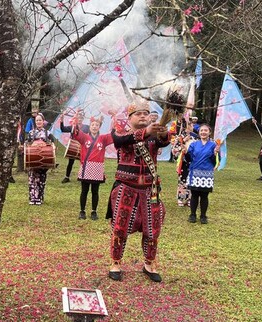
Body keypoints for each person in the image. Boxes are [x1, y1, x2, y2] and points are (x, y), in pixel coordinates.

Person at [106, 100, 170, 283]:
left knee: (153, 229)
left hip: (150, 190)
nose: (143, 116)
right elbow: (120, 141)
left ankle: (149, 264)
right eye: (138, 114)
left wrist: (164, 134)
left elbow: (163, 142)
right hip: (126, 188)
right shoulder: (121, 131)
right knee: (120, 227)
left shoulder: (153, 135)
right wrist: (147, 131)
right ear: (130, 117)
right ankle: (116, 263)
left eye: (146, 113)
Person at [70, 115, 113, 220]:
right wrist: (75, 121)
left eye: (97, 125)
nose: (94, 127)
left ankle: (94, 211)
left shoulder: (103, 139)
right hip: (86, 167)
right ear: (89, 126)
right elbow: (75, 132)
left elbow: (113, 135)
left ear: (99, 127)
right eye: (93, 125)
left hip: (97, 168)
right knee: (84, 190)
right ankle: (82, 211)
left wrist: (115, 120)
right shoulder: (84, 137)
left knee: (95, 191)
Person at [184, 124, 220, 224]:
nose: (203, 132)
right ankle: (192, 214)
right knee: (194, 195)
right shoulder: (193, 144)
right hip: (194, 172)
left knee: (204, 195)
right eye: (201, 130)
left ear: (209, 132)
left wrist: (215, 153)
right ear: (198, 132)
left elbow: (214, 161)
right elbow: (188, 159)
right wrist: (185, 152)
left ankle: (203, 216)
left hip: (207, 173)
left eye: (205, 130)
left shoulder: (213, 145)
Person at [26, 112, 55, 205]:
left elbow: (52, 143)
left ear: (43, 121)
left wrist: (49, 146)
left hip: (43, 159)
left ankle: (40, 197)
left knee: (41, 179)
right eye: (37, 120)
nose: (38, 122)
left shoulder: (48, 133)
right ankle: (33, 198)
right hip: (33, 158)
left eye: (40, 120)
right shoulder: (31, 133)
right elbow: (27, 144)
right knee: (32, 178)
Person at [171, 121, 198, 206]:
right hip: (184, 162)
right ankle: (181, 198)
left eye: (191, 125)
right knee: (183, 180)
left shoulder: (196, 137)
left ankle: (190, 198)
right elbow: (174, 151)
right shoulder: (179, 136)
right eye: (188, 124)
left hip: (194, 162)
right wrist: (182, 141)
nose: (190, 126)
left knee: (192, 180)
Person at [59, 109, 89, 183]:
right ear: (76, 118)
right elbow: (63, 129)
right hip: (73, 146)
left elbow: (93, 132)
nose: (79, 119)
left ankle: (83, 177)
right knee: (70, 162)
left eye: (81, 118)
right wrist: (61, 120)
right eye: (78, 117)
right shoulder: (73, 126)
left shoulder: (86, 127)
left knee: (83, 162)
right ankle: (67, 177)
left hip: (82, 146)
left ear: (83, 118)